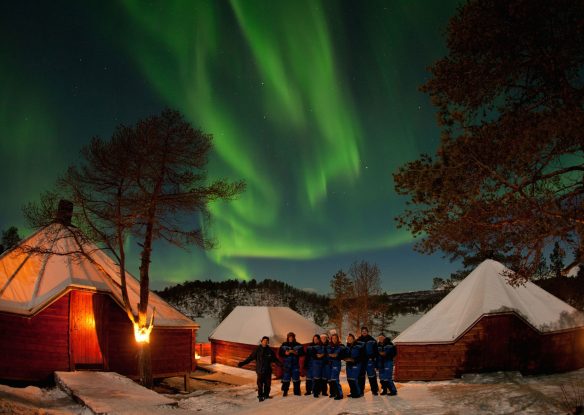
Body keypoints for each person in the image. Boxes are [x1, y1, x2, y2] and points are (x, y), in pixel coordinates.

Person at [238, 336, 283, 402]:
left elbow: (275, 360)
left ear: (268, 342)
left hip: (268, 370)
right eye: (264, 340)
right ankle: (260, 396)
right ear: (261, 341)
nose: (265, 342)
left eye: (266, 341)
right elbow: (250, 358)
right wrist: (243, 363)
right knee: (260, 385)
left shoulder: (270, 351)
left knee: (268, 384)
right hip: (260, 370)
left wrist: (282, 365)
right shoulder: (257, 350)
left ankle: (266, 395)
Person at [278, 332, 304, 396]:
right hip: (287, 365)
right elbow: (280, 354)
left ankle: (297, 392)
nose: (291, 338)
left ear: (294, 337)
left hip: (295, 365)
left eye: (292, 337)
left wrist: (297, 353)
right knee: (286, 379)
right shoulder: (284, 344)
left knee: (296, 379)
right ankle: (285, 392)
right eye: (290, 337)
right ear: (288, 337)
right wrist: (285, 353)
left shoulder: (298, 345)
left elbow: (303, 353)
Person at [356, 326, 379, 395]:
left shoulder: (372, 340)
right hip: (362, 361)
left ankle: (374, 390)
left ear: (367, 332)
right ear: (361, 332)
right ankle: (361, 391)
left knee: (372, 376)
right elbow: (356, 350)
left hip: (370, 361)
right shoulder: (358, 340)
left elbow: (376, 351)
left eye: (365, 331)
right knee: (361, 376)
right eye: (363, 331)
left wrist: (372, 358)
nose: (364, 332)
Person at [326, 333, 346, 400]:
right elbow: (329, 354)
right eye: (333, 338)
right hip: (330, 364)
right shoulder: (329, 346)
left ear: (337, 339)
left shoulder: (340, 346)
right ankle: (333, 393)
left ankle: (340, 394)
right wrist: (333, 355)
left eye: (335, 338)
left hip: (336, 364)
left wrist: (336, 355)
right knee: (331, 380)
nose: (334, 339)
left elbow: (341, 355)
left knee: (335, 379)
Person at [343, 333, 363, 398]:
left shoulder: (358, 346)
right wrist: (344, 358)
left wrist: (353, 360)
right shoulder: (346, 347)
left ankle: (357, 393)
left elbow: (362, 356)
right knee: (349, 379)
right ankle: (352, 392)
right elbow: (343, 355)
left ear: (354, 339)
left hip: (356, 364)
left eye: (351, 338)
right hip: (348, 364)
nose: (349, 339)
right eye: (348, 338)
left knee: (354, 379)